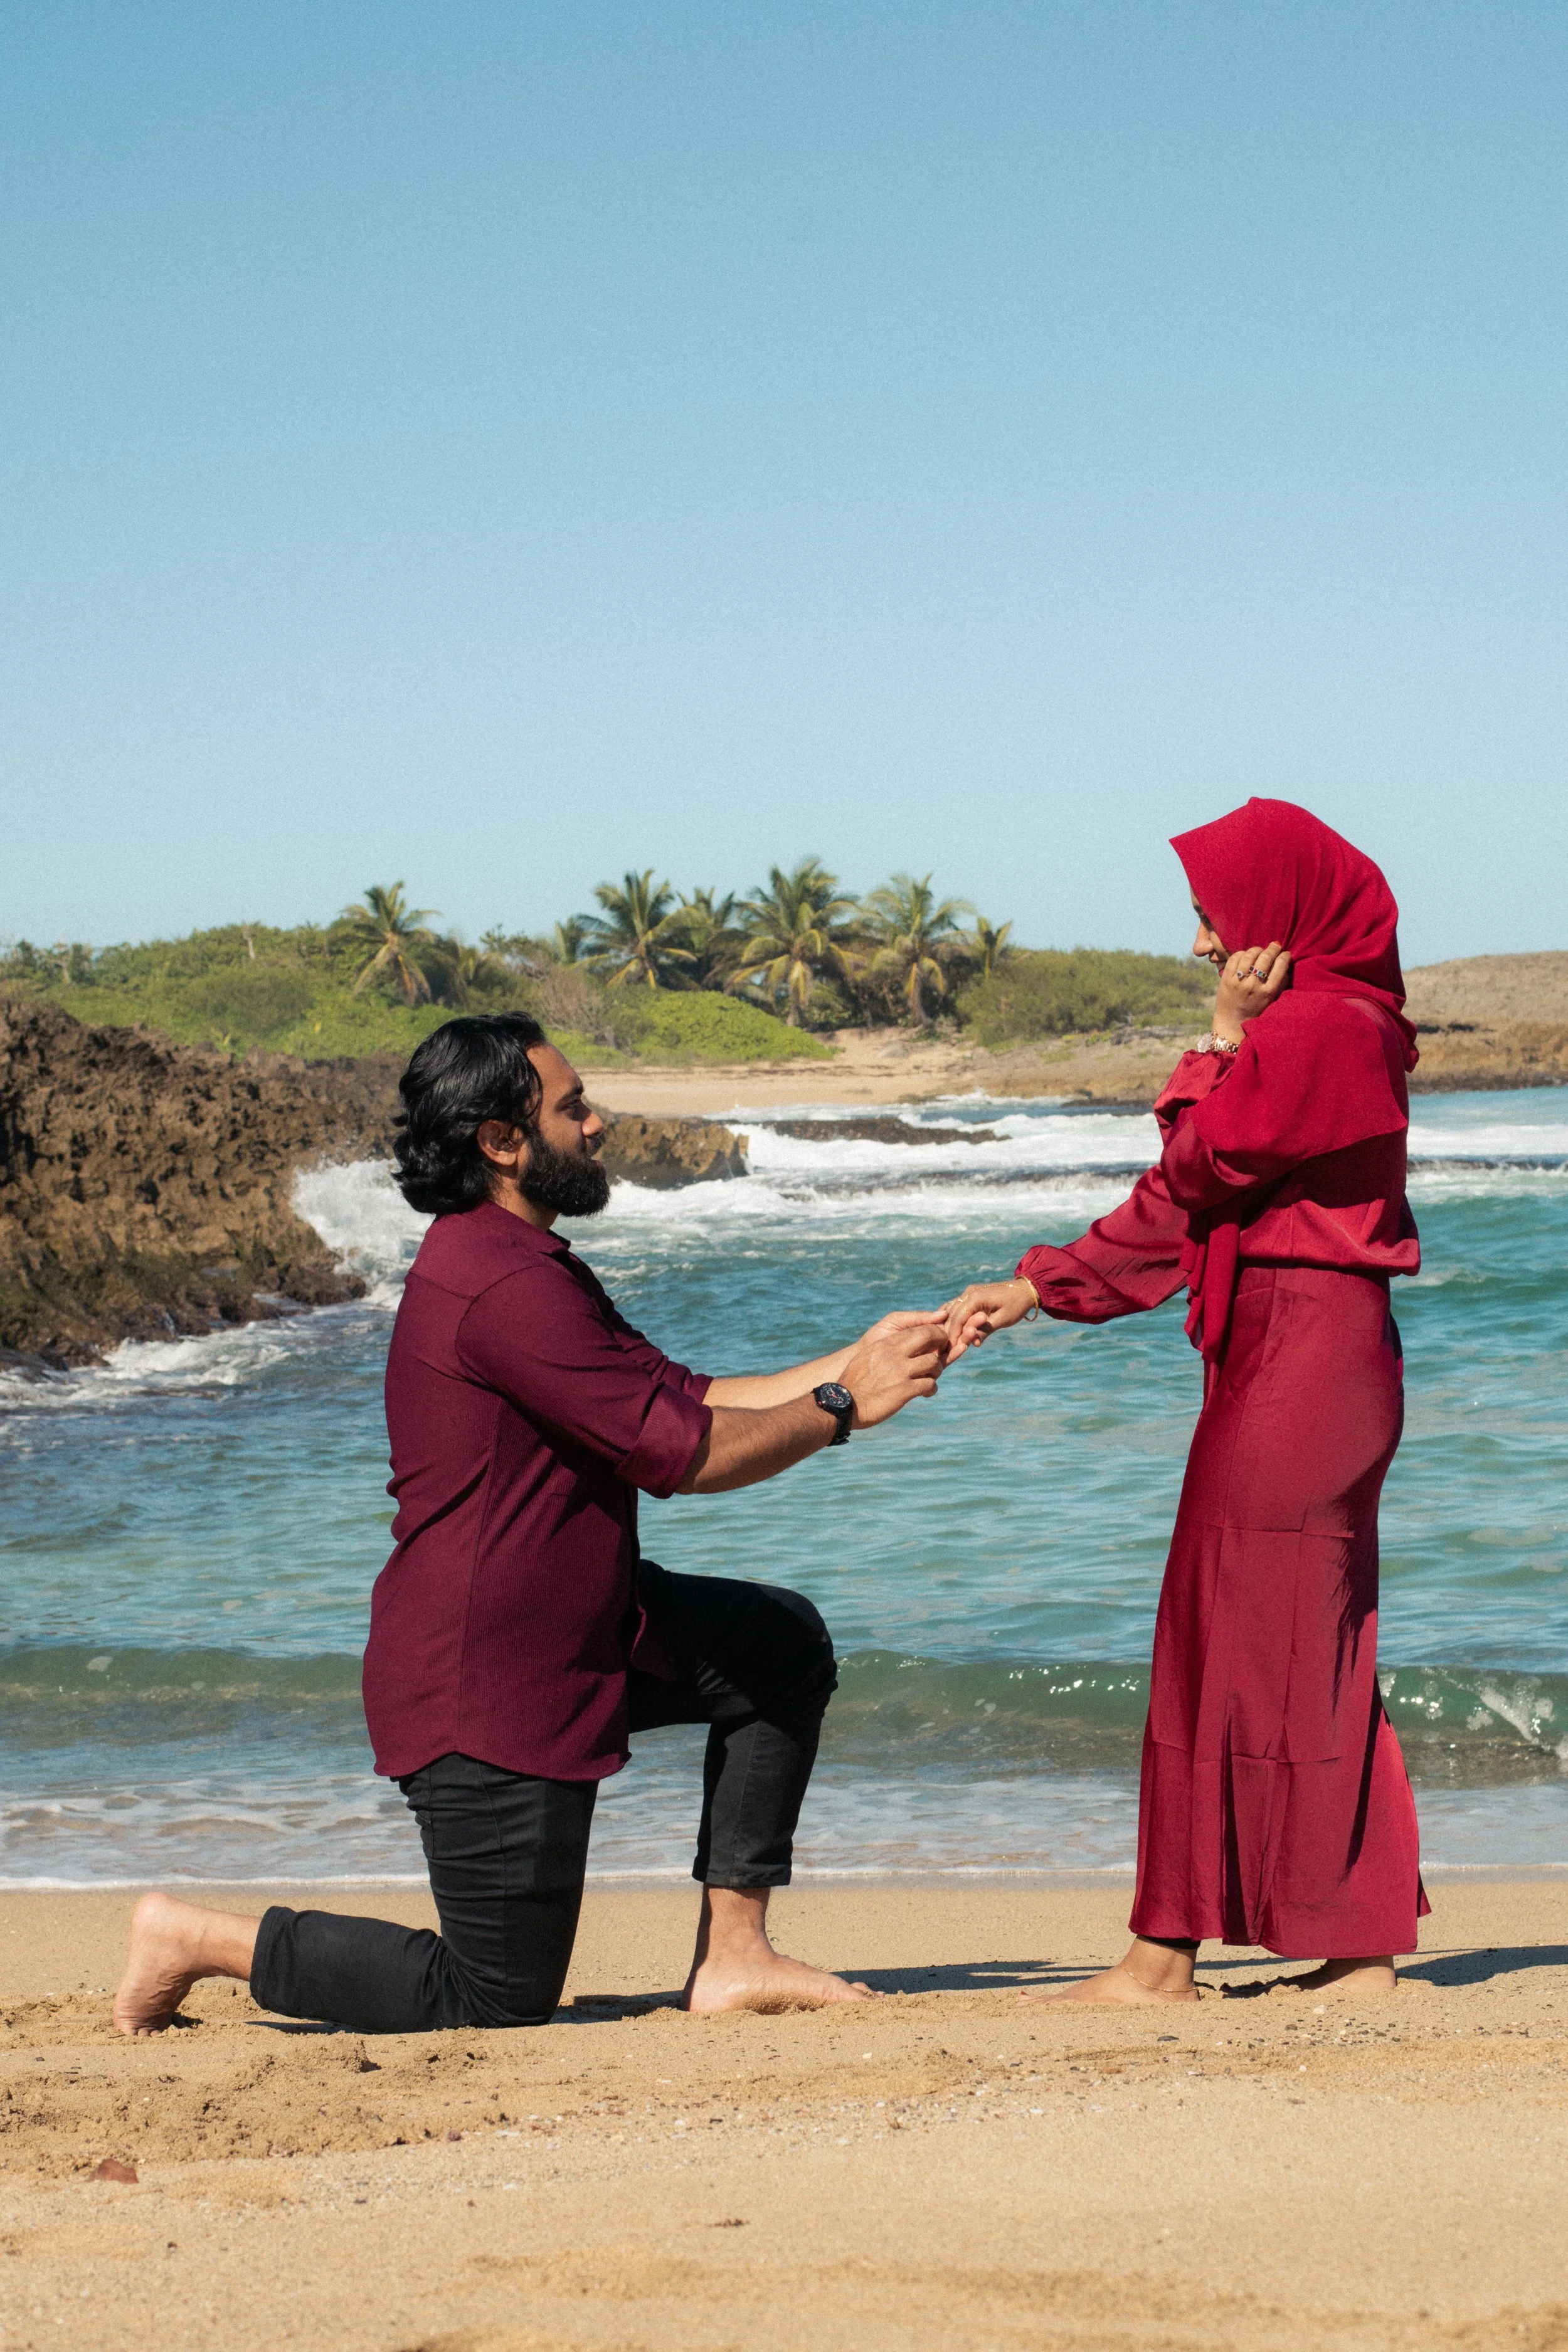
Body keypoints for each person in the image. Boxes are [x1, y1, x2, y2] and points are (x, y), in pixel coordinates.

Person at [115, 1013, 950, 2037]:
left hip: (586, 1637)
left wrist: (852, 1362)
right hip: (487, 1684)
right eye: (572, 1107)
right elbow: (680, 1456)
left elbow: (690, 1397)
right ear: (501, 1142)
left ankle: (734, 1954)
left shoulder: (530, 1262)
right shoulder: (500, 1284)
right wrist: (842, 1409)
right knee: (495, 1994)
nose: (597, 1124)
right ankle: (196, 1938)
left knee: (776, 1647)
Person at [944, 798, 1426, 2003]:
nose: (1206, 943)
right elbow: (1201, 1191)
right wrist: (1041, 1286)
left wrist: (1217, 1041)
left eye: (1213, 918)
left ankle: (1171, 1955)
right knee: (1281, 1640)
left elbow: (1200, 1168)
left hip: (1305, 1354)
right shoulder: (1337, 1019)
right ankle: (1344, 1944)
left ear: (1275, 915)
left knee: (1238, 1635)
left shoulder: (1320, 1026)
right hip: (1299, 1351)